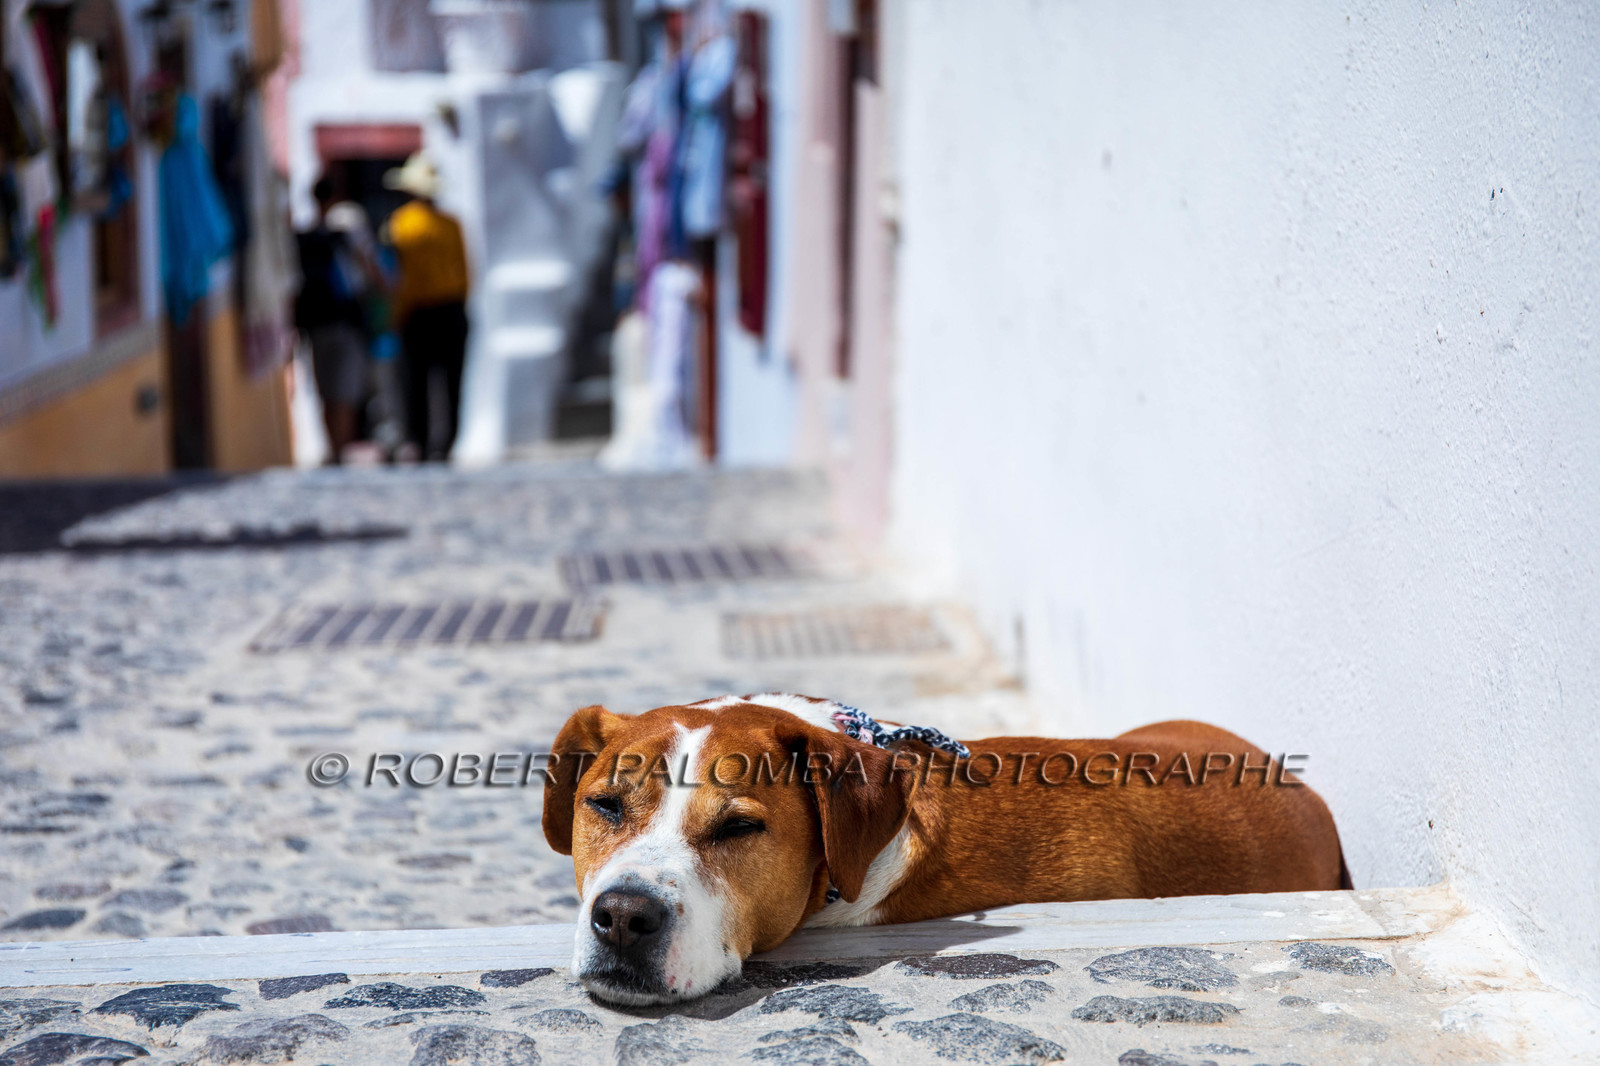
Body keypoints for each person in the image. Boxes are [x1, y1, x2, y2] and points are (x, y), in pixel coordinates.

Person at [383, 152, 470, 462]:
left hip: (419, 311)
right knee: (451, 383)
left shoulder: (403, 224)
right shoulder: (452, 225)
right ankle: (446, 443)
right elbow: (465, 271)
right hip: (452, 310)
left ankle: (417, 440)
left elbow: (402, 275)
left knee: (414, 381)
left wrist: (397, 312)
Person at [293, 176, 368, 463]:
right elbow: (366, 274)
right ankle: (341, 449)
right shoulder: (343, 237)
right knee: (345, 392)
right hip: (344, 322)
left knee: (325, 390)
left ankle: (332, 449)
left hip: (315, 325)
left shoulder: (302, 238)